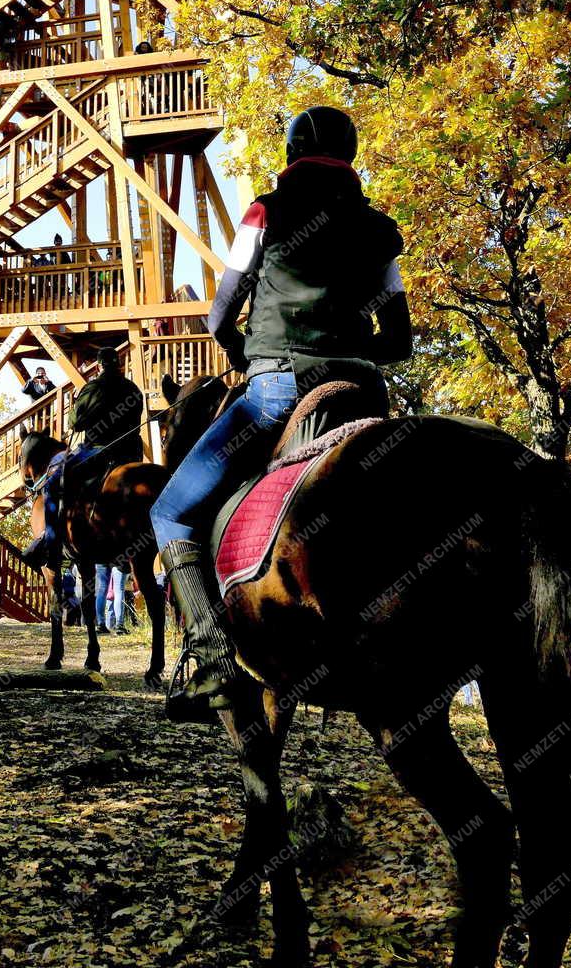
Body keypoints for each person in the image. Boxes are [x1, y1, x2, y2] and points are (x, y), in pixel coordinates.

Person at [150, 105, 413, 722]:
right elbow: (399, 340)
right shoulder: (380, 232)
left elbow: (221, 312)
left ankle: (213, 657)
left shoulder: (264, 212)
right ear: (350, 156)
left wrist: (243, 349)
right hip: (364, 391)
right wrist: (352, 355)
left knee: (170, 511)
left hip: (277, 390)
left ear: (292, 154)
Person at [21, 347, 144, 569]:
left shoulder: (94, 387)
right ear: (118, 364)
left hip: (99, 450)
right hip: (132, 452)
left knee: (51, 485)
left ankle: (51, 547)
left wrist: (77, 403)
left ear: (99, 366)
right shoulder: (133, 388)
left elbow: (75, 423)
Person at [95, 563, 130, 635]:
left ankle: (101, 624)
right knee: (119, 589)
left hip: (101, 559)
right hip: (118, 559)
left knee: (102, 588)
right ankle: (119, 626)